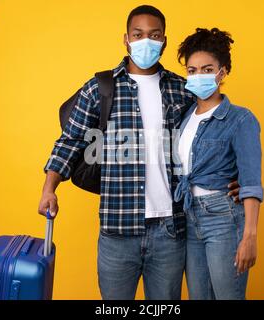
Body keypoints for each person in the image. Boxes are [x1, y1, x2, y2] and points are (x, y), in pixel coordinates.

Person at [38, 6, 240, 300]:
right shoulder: (100, 88)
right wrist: (49, 188)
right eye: (139, 34)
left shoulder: (182, 90)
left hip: (170, 231)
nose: (146, 41)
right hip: (117, 230)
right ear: (126, 39)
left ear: (164, 42)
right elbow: (70, 141)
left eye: (154, 35)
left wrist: (232, 181)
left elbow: (211, 135)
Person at [174, 28, 263, 300]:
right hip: (190, 218)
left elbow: (250, 182)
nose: (198, 75)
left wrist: (249, 236)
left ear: (222, 72)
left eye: (207, 69)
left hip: (224, 221)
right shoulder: (185, 116)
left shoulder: (240, 119)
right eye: (192, 70)